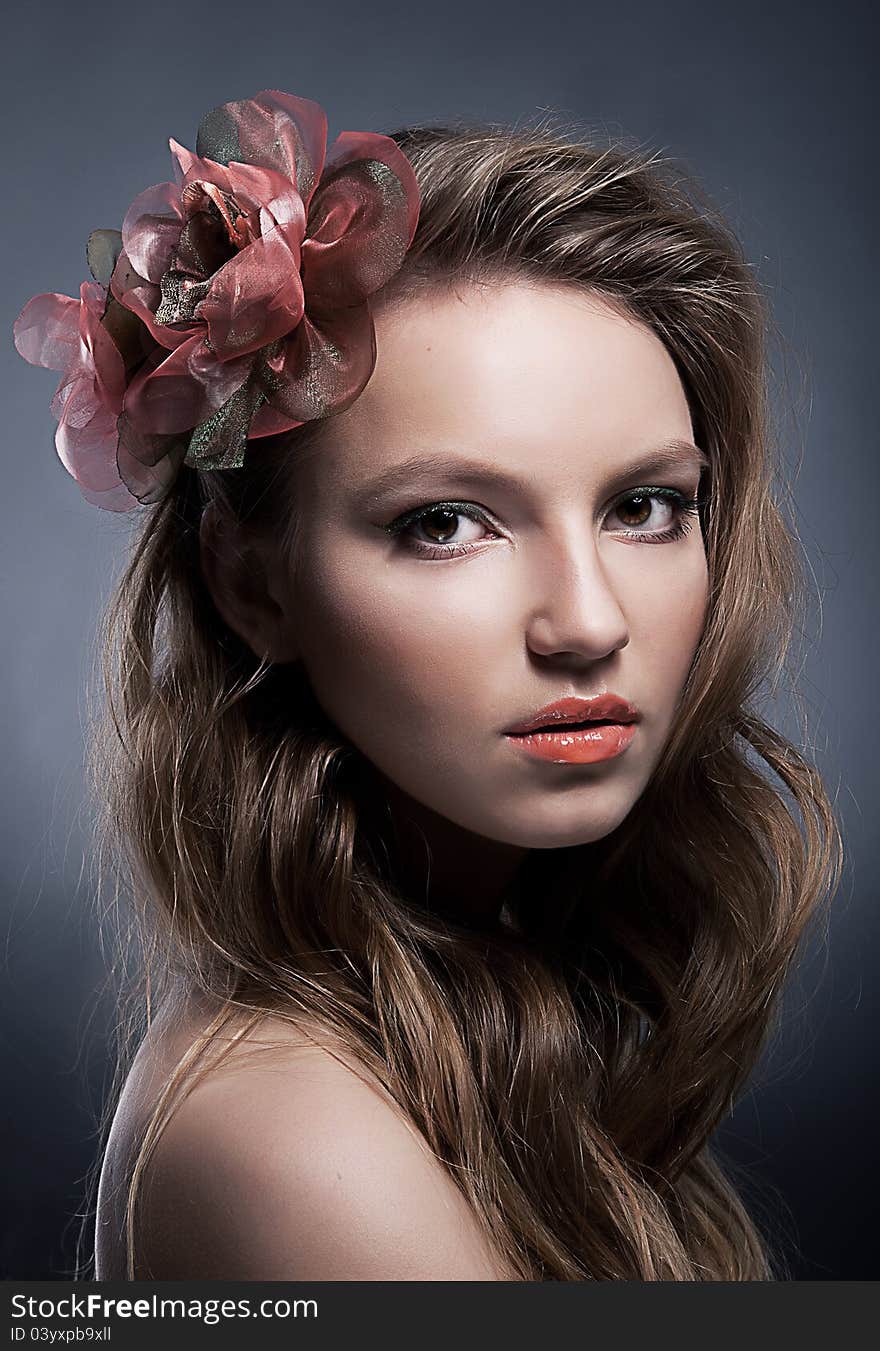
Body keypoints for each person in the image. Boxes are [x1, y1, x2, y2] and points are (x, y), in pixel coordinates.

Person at [14, 90, 843, 1281]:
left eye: (643, 506)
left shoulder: (491, 1007)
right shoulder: (287, 1141)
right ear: (251, 586)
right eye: (447, 521)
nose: (590, 622)